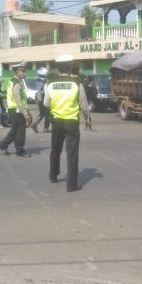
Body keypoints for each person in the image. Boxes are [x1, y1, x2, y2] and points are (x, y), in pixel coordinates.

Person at [44, 54, 90, 192]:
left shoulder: (50, 84)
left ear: (58, 68)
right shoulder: (77, 84)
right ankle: (71, 185)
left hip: (56, 121)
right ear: (70, 68)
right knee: (72, 153)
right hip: (71, 122)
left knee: (55, 149)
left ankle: (53, 175)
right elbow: (84, 105)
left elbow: (46, 103)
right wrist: (87, 118)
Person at [0, 65, 31, 157]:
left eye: (25, 70)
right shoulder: (16, 83)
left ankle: (3, 145)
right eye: (23, 71)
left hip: (13, 109)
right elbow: (18, 99)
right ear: (17, 71)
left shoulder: (13, 81)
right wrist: (25, 113)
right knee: (20, 131)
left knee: (15, 130)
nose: (24, 73)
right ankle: (19, 151)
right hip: (17, 110)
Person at [31, 68, 51, 133]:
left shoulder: (36, 80)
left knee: (42, 113)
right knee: (47, 113)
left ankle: (35, 124)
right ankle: (46, 128)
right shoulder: (44, 82)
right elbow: (46, 92)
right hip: (43, 98)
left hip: (38, 98)